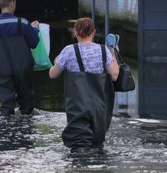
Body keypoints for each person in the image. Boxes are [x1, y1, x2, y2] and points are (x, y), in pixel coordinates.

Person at [49, 17, 119, 151]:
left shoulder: (68, 51)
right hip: (99, 106)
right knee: (97, 146)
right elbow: (115, 76)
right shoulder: (104, 51)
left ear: (75, 32)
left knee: (80, 146)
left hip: (77, 107)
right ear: (93, 32)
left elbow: (52, 74)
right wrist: (113, 55)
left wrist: (57, 61)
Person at [0, 0, 40, 116]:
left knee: (6, 106)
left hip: (1, 69)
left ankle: (5, 129)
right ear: (13, 3)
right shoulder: (23, 23)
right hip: (22, 67)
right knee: (27, 105)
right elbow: (34, 43)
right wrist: (34, 29)